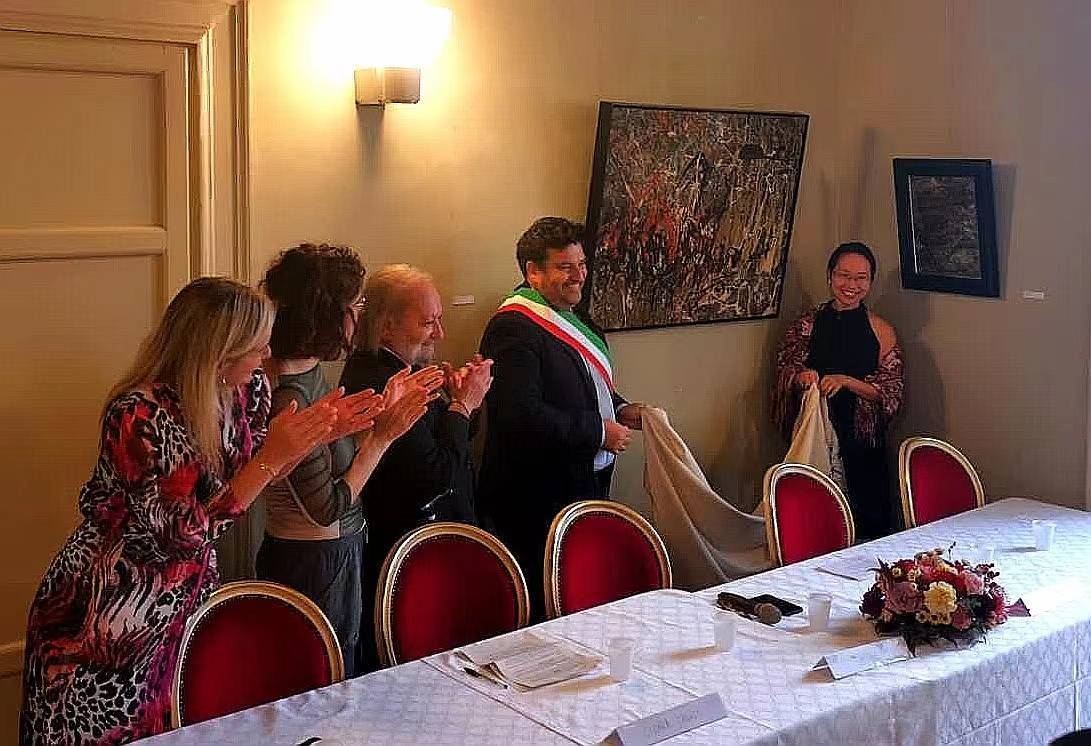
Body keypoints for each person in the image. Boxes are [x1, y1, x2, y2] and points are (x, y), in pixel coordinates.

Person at [19, 277, 360, 744]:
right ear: (219, 353)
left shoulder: (248, 390)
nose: (266, 356)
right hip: (105, 612)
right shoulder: (137, 415)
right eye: (256, 348)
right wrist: (270, 458)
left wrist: (312, 437)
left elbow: (252, 473)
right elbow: (182, 533)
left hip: (184, 602)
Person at [258, 245, 437, 676]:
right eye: (355, 307)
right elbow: (326, 508)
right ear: (325, 315)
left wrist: (378, 415)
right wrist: (382, 437)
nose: (359, 318)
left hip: (334, 553)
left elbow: (330, 454)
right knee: (323, 682)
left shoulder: (308, 371)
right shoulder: (290, 393)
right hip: (313, 562)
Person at [477, 217, 644, 617]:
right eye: (565, 267)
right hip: (536, 499)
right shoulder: (513, 328)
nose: (579, 276)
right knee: (545, 608)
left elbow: (583, 384)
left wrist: (620, 407)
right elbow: (518, 415)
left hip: (581, 485)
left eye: (581, 264)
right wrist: (597, 431)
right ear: (533, 272)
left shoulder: (577, 319)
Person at [339, 264, 491, 669]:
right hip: (410, 559)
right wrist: (463, 406)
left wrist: (461, 403)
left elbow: (452, 443)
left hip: (433, 546)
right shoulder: (377, 381)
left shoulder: (402, 368)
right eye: (427, 322)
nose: (440, 333)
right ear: (386, 326)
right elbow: (434, 476)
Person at [772, 242, 904, 541]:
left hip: (863, 445)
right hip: (817, 433)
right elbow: (785, 370)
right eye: (844, 275)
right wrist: (802, 377)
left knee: (869, 530)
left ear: (870, 282)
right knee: (817, 527)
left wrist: (846, 381)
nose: (851, 285)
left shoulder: (881, 329)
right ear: (830, 276)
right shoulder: (806, 325)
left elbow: (890, 390)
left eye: (861, 278)